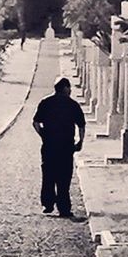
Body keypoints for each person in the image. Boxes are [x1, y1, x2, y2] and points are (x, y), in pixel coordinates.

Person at [32, 76, 85, 218]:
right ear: (66, 88)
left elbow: (36, 122)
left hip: (49, 145)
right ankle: (64, 208)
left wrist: (43, 135)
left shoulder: (46, 103)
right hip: (66, 146)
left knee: (48, 175)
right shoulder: (73, 105)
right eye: (70, 88)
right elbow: (81, 125)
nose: (71, 90)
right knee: (64, 177)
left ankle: (48, 204)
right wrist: (80, 141)